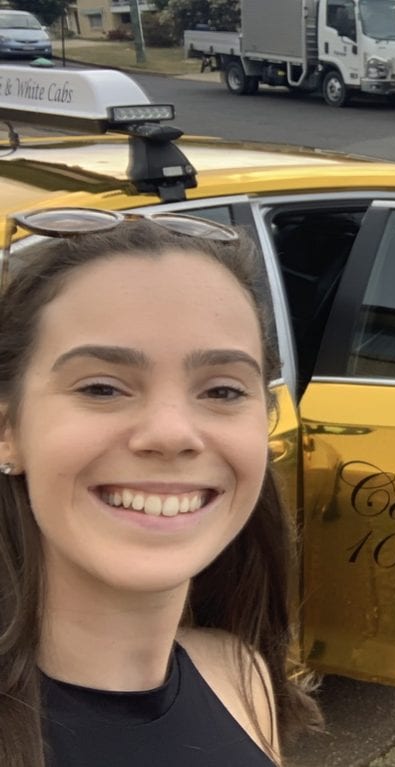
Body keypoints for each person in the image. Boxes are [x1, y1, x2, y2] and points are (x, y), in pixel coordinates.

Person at [0, 212, 322, 766]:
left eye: (222, 391)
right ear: (9, 431)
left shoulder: (240, 679)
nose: (172, 433)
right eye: (102, 387)